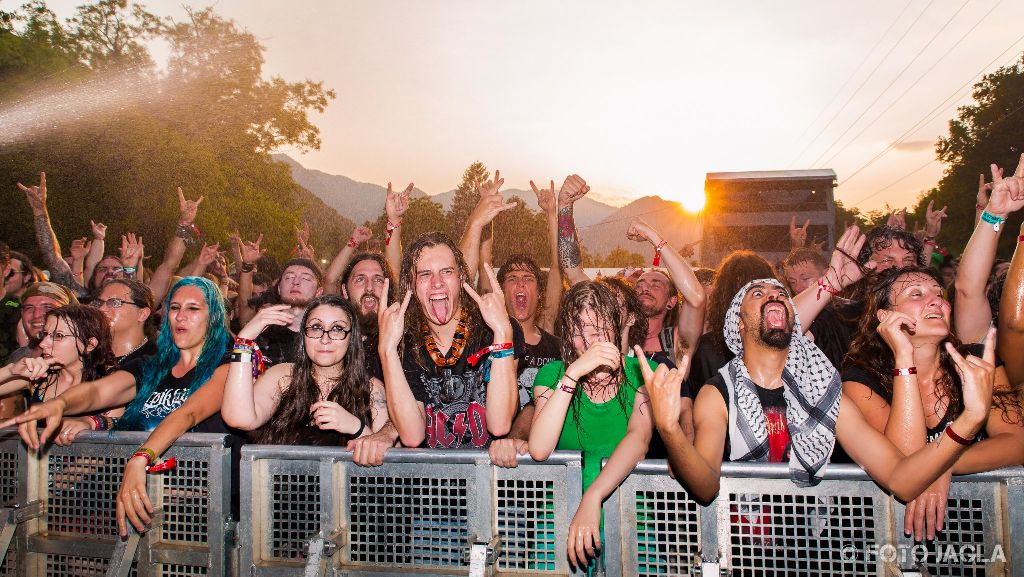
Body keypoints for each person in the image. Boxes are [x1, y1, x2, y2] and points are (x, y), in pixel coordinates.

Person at [647, 278, 995, 511]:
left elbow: (902, 480)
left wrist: (970, 420)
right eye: (758, 293)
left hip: (816, 551)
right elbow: (706, 486)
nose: (774, 295)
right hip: (744, 551)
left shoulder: (825, 391)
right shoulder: (718, 392)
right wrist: (670, 430)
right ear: (738, 323)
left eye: (782, 293)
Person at [0, 277, 235, 536]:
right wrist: (59, 404)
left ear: (213, 316)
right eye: (175, 308)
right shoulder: (149, 366)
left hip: (203, 502)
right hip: (146, 498)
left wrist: (141, 457)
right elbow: (99, 391)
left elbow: (189, 413)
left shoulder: (229, 364)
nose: (180, 317)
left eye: (193, 308)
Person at [843, 266, 1024, 540]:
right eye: (916, 294)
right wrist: (904, 359)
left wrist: (947, 462)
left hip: (975, 535)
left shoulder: (976, 361)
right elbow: (906, 465)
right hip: (888, 540)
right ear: (885, 316)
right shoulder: (860, 377)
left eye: (939, 293)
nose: (937, 300)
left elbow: (1017, 442)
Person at [528, 281, 654, 570]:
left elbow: (638, 439)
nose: (588, 344)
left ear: (615, 325)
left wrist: (593, 496)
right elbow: (539, 447)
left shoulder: (642, 372)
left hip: (632, 522)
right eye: (577, 333)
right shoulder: (553, 374)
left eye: (597, 331)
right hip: (560, 522)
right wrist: (572, 374)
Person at [378, 232, 522, 449]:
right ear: (411, 285)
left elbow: (500, 424)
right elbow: (412, 435)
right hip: (432, 479)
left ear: (462, 278)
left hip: (490, 475)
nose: (437, 283)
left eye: (446, 272)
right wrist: (387, 350)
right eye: (425, 274)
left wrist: (502, 332)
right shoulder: (405, 342)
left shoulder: (494, 330)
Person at [222, 295, 398, 465]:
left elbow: (387, 467)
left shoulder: (371, 389)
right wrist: (243, 341)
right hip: (282, 492)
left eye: (337, 328)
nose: (325, 339)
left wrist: (355, 426)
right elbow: (239, 418)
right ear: (303, 335)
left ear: (352, 338)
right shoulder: (283, 376)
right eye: (316, 327)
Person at [0, 304, 117, 443]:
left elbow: (121, 425)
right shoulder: (41, 377)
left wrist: (92, 422)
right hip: (38, 462)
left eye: (58, 336)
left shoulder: (110, 381)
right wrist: (11, 370)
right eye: (46, 335)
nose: (43, 343)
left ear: (90, 344)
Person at [8, 282, 79, 365]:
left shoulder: (75, 358)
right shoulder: (18, 357)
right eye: (29, 308)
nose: (36, 315)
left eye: (48, 307)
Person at [93, 279, 157, 365]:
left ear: (142, 314)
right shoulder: (90, 352)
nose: (101, 309)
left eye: (114, 302)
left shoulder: (154, 361)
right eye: (100, 302)